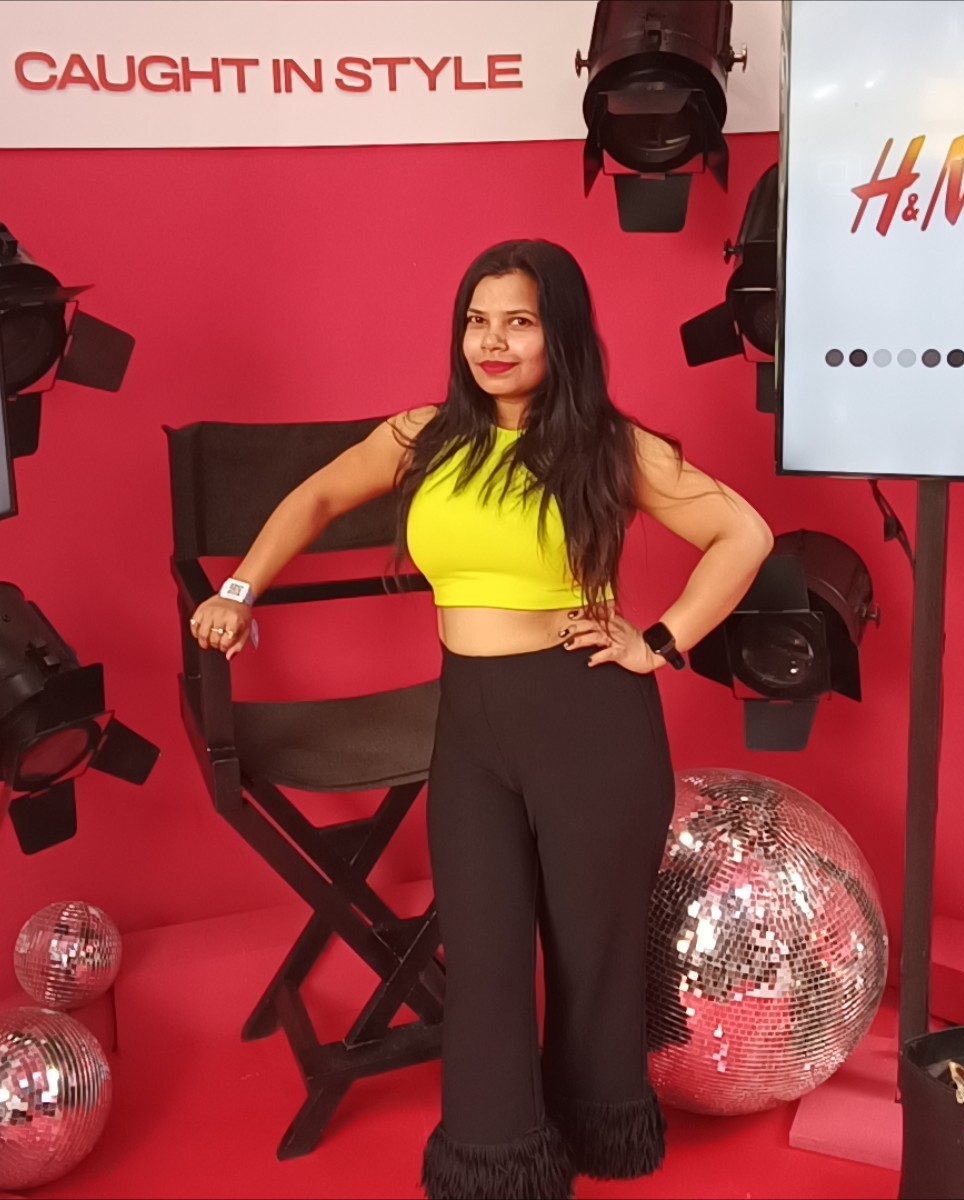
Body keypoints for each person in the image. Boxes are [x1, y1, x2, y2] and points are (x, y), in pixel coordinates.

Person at [189, 240, 773, 1200]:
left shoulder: (610, 444)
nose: (492, 343)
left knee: (592, 950)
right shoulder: (424, 436)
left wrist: (661, 642)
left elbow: (742, 532)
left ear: (561, 334)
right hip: (471, 723)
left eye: (520, 322)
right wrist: (241, 589)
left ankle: (601, 1127)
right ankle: (497, 1162)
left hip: (588, 717)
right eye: (477, 321)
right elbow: (320, 493)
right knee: (486, 948)